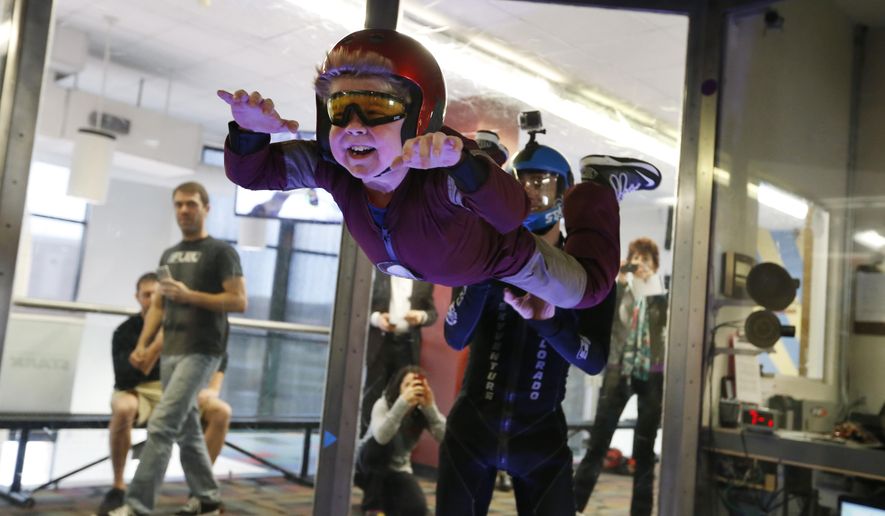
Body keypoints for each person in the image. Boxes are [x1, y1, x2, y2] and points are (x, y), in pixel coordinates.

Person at [219, 28, 661, 311]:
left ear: (418, 115)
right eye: (340, 106)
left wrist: (464, 164)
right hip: (448, 253)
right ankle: (487, 153)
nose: (354, 125)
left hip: (498, 259)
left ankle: (599, 187)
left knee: (585, 292)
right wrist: (248, 133)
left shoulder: (442, 167)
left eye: (376, 106)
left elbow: (512, 213)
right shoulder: (333, 166)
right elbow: (253, 174)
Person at [435, 137, 620, 515]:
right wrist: (483, 272)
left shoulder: (589, 273)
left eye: (544, 185)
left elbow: (594, 360)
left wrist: (552, 324)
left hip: (540, 438)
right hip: (471, 430)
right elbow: (455, 336)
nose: (533, 194)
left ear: (564, 193)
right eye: (523, 183)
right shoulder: (479, 253)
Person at [110, 182, 246, 516]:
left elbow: (239, 300)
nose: (184, 210)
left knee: (162, 425)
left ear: (206, 208)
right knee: (187, 429)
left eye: (191, 204)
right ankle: (208, 498)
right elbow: (157, 304)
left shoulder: (221, 252)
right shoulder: (169, 255)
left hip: (202, 350)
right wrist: (143, 345)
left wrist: (190, 296)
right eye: (179, 205)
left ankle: (138, 506)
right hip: (170, 349)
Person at [98, 272, 233, 515]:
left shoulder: (189, 327)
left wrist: (212, 389)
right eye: (146, 294)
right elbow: (126, 378)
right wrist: (154, 345)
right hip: (137, 391)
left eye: (156, 295)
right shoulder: (125, 331)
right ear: (137, 297)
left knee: (220, 412)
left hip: (175, 390)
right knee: (124, 408)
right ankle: (119, 487)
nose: (151, 300)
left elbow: (218, 355)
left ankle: (201, 492)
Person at [573, 237, 668, 516]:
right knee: (599, 440)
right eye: (636, 258)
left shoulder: (659, 296)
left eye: (646, 259)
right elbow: (612, 321)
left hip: (652, 373)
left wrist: (651, 287)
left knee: (645, 448)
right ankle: (573, 503)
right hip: (618, 368)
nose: (640, 264)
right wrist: (622, 283)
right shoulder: (620, 290)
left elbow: (660, 332)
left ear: (654, 265)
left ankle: (641, 511)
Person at [354, 365, 446, 516]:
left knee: (418, 510)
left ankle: (387, 500)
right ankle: (373, 507)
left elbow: (445, 438)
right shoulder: (383, 404)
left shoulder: (421, 411)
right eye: (407, 385)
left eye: (416, 385)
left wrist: (431, 408)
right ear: (399, 387)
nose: (412, 389)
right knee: (381, 447)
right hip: (367, 467)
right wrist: (402, 404)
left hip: (398, 470)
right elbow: (381, 437)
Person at [360, 274, 437, 437]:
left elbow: (432, 314)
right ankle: (365, 442)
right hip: (381, 343)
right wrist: (377, 319)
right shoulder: (377, 272)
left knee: (403, 395)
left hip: (407, 345)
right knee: (372, 393)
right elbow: (360, 306)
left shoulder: (423, 277)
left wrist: (421, 316)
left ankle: (394, 445)